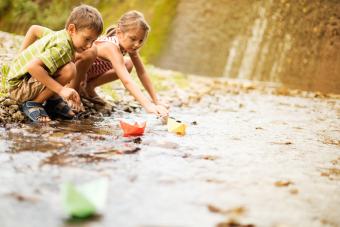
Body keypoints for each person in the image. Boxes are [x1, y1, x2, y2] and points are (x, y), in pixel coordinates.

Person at [6, 4, 103, 122]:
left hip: (21, 81)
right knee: (70, 69)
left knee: (67, 66)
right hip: (18, 88)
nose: (89, 46)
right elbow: (32, 67)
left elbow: (34, 29)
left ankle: (52, 101)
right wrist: (61, 90)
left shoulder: (59, 35)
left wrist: (20, 56)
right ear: (72, 30)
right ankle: (34, 103)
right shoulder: (62, 47)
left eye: (93, 41)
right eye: (87, 39)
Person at [76, 10, 169, 117]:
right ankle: (74, 92)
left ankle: (89, 87)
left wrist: (156, 101)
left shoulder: (129, 48)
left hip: (88, 75)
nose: (137, 44)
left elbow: (142, 73)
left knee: (128, 64)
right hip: (75, 74)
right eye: (133, 38)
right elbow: (127, 81)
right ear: (119, 33)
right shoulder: (111, 47)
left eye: (141, 41)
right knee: (123, 66)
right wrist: (148, 106)